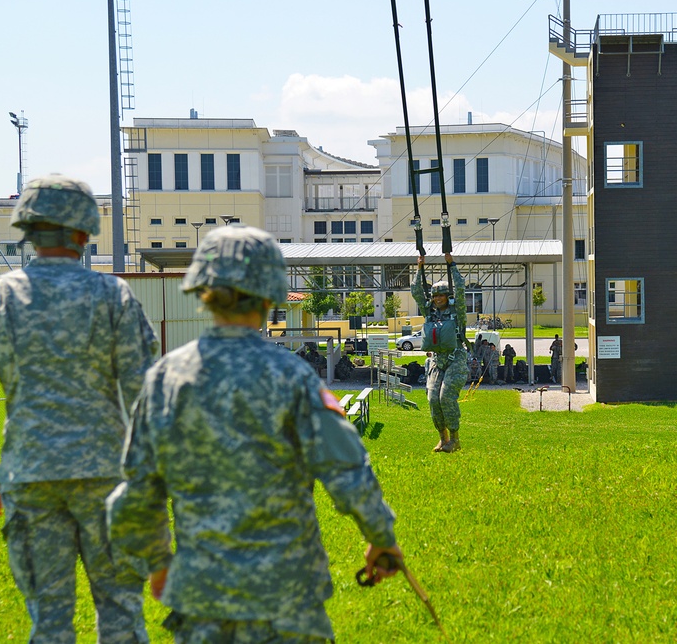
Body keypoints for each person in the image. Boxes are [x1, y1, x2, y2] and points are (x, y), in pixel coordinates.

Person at [107, 225, 401, 643]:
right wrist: (381, 539)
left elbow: (136, 493)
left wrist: (159, 564)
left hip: (202, 598)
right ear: (269, 295)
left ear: (203, 291)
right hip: (289, 599)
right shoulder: (292, 376)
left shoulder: (164, 380)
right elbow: (347, 470)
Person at [0, 174, 159, 643]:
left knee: (49, 620)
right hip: (107, 476)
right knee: (122, 614)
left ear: (28, 230)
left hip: (31, 477)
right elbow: (144, 393)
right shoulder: (113, 296)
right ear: (85, 233)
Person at [412, 252, 467, 453]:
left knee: (446, 397)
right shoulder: (429, 312)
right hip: (437, 360)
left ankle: (455, 438)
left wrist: (451, 264)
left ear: (447, 296)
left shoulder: (457, 310)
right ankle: (442, 439)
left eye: (441, 295)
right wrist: (419, 269)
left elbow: (460, 287)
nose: (437, 299)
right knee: (433, 398)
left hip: (455, 358)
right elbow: (416, 291)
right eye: (435, 296)